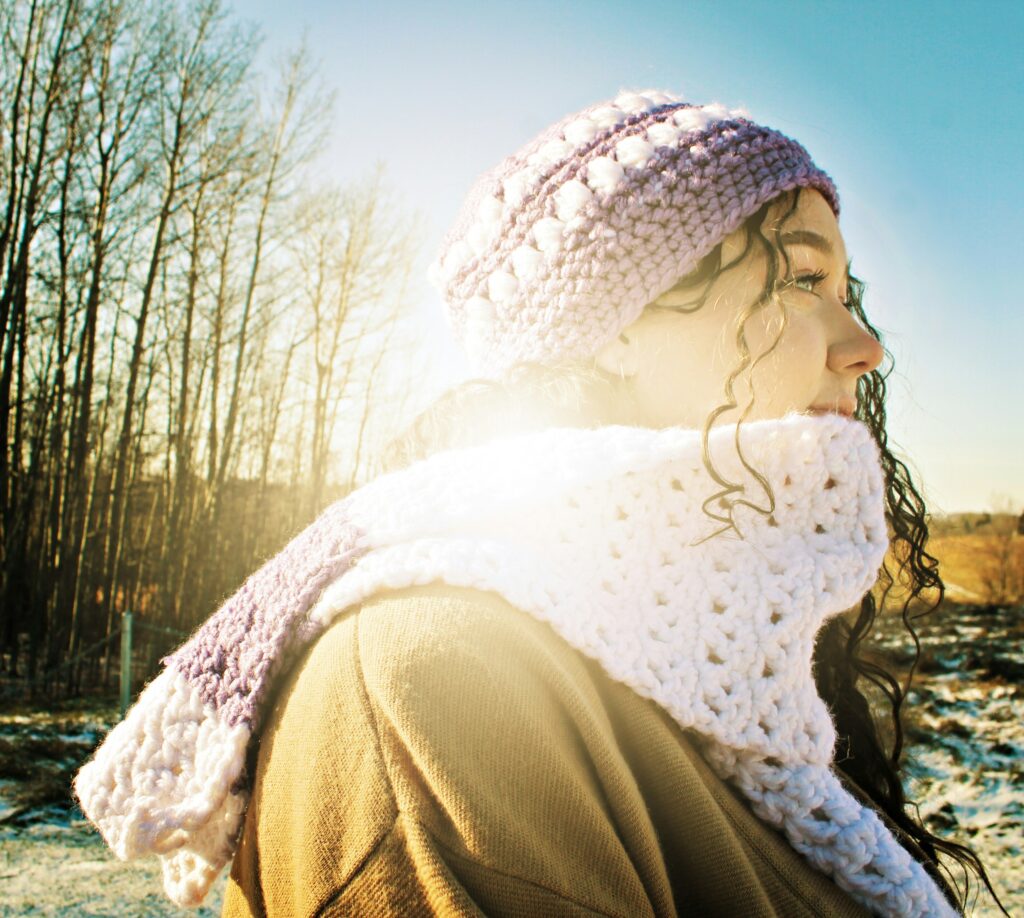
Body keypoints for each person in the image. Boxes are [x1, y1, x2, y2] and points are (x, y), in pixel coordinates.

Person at [74, 91, 1006, 918]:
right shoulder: (439, 690)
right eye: (802, 278)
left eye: (847, 292)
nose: (865, 345)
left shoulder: (705, 659)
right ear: (615, 329)